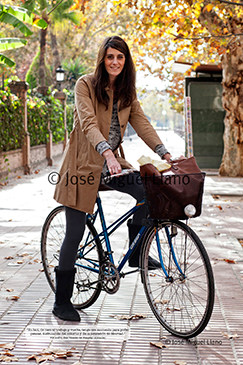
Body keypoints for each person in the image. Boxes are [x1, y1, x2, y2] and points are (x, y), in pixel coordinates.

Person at [53, 36, 172, 322]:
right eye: (110, 57)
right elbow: (88, 122)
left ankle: (135, 252)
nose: (115, 62)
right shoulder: (85, 85)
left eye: (120, 57)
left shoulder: (127, 92)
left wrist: (164, 153)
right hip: (82, 165)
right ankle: (61, 302)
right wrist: (106, 152)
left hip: (112, 164)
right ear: (102, 60)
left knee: (147, 190)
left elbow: (142, 123)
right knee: (75, 232)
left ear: (126, 61)